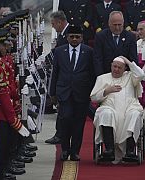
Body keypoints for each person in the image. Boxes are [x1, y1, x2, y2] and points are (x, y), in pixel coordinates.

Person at [0, 28, 30, 180]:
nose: (6, 47)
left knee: (0, 156)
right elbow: (2, 97)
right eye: (3, 45)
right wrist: (15, 122)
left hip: (1, 113)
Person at [50, 25, 96, 161]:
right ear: (67, 37)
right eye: (72, 37)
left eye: (77, 37)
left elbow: (92, 73)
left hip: (82, 93)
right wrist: (52, 93)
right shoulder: (59, 51)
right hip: (64, 92)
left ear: (82, 38)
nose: (74, 39)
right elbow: (55, 73)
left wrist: (92, 92)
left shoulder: (88, 51)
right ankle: (65, 150)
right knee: (65, 120)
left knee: (78, 123)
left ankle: (75, 151)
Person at [91, 56, 144, 163]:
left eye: (120, 67)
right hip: (110, 108)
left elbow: (141, 74)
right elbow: (94, 98)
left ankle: (130, 151)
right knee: (105, 113)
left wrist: (128, 61)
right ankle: (109, 149)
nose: (116, 69)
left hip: (129, 108)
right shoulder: (102, 78)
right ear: (111, 66)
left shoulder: (130, 76)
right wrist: (106, 91)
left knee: (134, 114)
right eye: (114, 66)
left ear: (125, 68)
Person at [45, 11, 70, 145]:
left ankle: (60, 135)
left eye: (54, 24)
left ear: (60, 22)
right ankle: (59, 134)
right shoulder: (63, 34)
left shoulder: (68, 34)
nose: (53, 27)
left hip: (66, 79)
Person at [93, 11, 137, 76]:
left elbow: (133, 59)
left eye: (119, 25)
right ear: (109, 24)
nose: (117, 28)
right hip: (106, 75)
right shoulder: (101, 36)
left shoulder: (130, 37)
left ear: (123, 23)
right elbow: (98, 59)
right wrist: (101, 77)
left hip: (124, 76)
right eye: (114, 25)